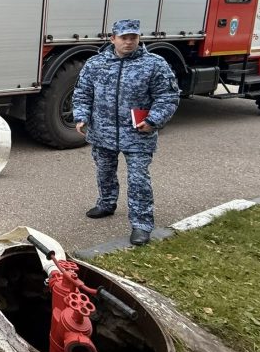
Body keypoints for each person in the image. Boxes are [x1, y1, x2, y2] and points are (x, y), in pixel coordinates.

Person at [73, 19, 180, 246]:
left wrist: (153, 121)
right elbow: (83, 92)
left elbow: (168, 97)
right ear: (113, 39)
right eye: (124, 37)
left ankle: (141, 224)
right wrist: (81, 116)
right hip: (103, 132)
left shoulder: (154, 64)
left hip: (139, 133)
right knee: (104, 172)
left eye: (134, 37)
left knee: (138, 179)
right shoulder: (96, 64)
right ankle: (107, 203)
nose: (129, 42)